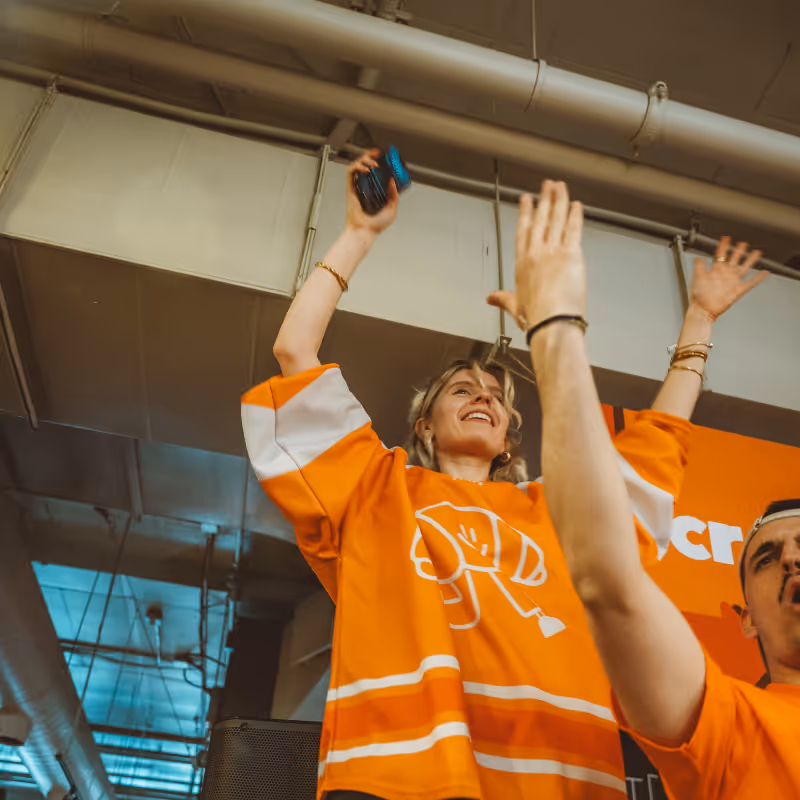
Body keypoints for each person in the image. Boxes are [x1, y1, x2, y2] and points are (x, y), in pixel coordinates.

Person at [240, 152, 762, 800]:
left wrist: (700, 322)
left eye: (496, 395)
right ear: (425, 424)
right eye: (462, 388)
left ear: (511, 435)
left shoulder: (562, 514)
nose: (482, 397)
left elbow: (659, 443)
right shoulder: (375, 487)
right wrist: (360, 234)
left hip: (557, 782)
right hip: (392, 780)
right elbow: (295, 352)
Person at [513, 182, 796, 800]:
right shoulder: (727, 727)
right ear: (744, 622)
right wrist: (555, 329)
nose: (794, 560)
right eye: (767, 558)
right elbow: (608, 578)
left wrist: (699, 321)